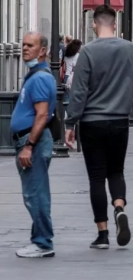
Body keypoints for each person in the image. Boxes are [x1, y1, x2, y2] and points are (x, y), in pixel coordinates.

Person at [64, 5, 133, 249]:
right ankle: (119, 206)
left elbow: (79, 91)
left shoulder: (88, 51)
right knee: (116, 171)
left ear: (94, 24)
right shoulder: (130, 49)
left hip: (92, 122)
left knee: (96, 178)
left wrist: (70, 122)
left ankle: (103, 234)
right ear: (115, 24)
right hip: (120, 121)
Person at [11, 32, 57, 258]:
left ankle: (43, 242)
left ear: (43, 51)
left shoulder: (39, 78)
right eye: (24, 45)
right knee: (35, 192)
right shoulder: (35, 75)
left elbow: (42, 115)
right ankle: (39, 239)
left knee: (36, 193)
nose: (25, 49)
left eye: (30, 45)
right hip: (29, 140)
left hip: (33, 141)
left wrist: (29, 145)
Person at [62, 39, 82, 103]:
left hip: (66, 76)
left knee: (67, 95)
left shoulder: (66, 56)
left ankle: (66, 111)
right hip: (73, 76)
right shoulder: (77, 56)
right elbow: (75, 66)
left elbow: (64, 66)